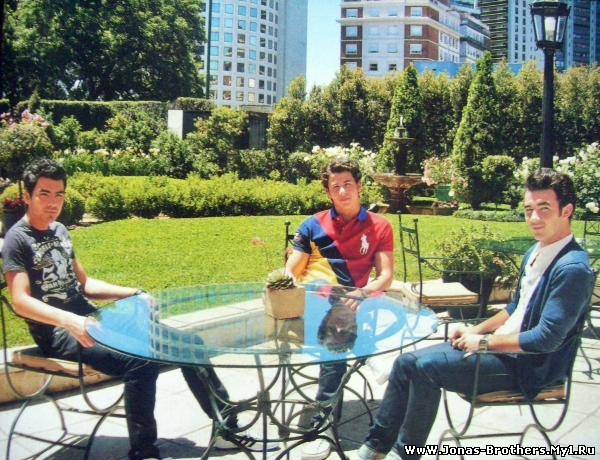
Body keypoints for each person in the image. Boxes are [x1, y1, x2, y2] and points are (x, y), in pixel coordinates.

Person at [1, 159, 265, 460]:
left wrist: (132, 292)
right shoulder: (17, 239)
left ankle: (227, 429)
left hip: (92, 320)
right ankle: (143, 451)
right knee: (140, 361)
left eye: (59, 194)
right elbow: (20, 300)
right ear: (27, 196)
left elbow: (85, 285)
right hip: (59, 332)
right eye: (44, 194)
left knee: (190, 344)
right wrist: (69, 320)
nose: (53, 203)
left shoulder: (59, 230)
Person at [354, 168, 595, 460]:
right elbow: (515, 308)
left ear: (567, 211)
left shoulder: (572, 268)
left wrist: (483, 343)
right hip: (504, 351)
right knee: (406, 362)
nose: (533, 218)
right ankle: (374, 448)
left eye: (544, 209)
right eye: (528, 209)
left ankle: (404, 455)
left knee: (425, 368)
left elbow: (546, 339)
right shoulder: (536, 251)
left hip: (531, 368)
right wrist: (475, 331)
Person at [285, 159, 394, 460]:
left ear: (359, 187)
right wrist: (286, 280)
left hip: (355, 304)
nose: (343, 191)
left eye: (348, 184)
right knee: (333, 318)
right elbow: (292, 268)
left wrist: (362, 292)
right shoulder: (313, 225)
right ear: (328, 193)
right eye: (336, 187)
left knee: (335, 340)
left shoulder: (379, 226)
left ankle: (320, 428)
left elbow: (385, 276)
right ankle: (369, 352)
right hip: (318, 303)